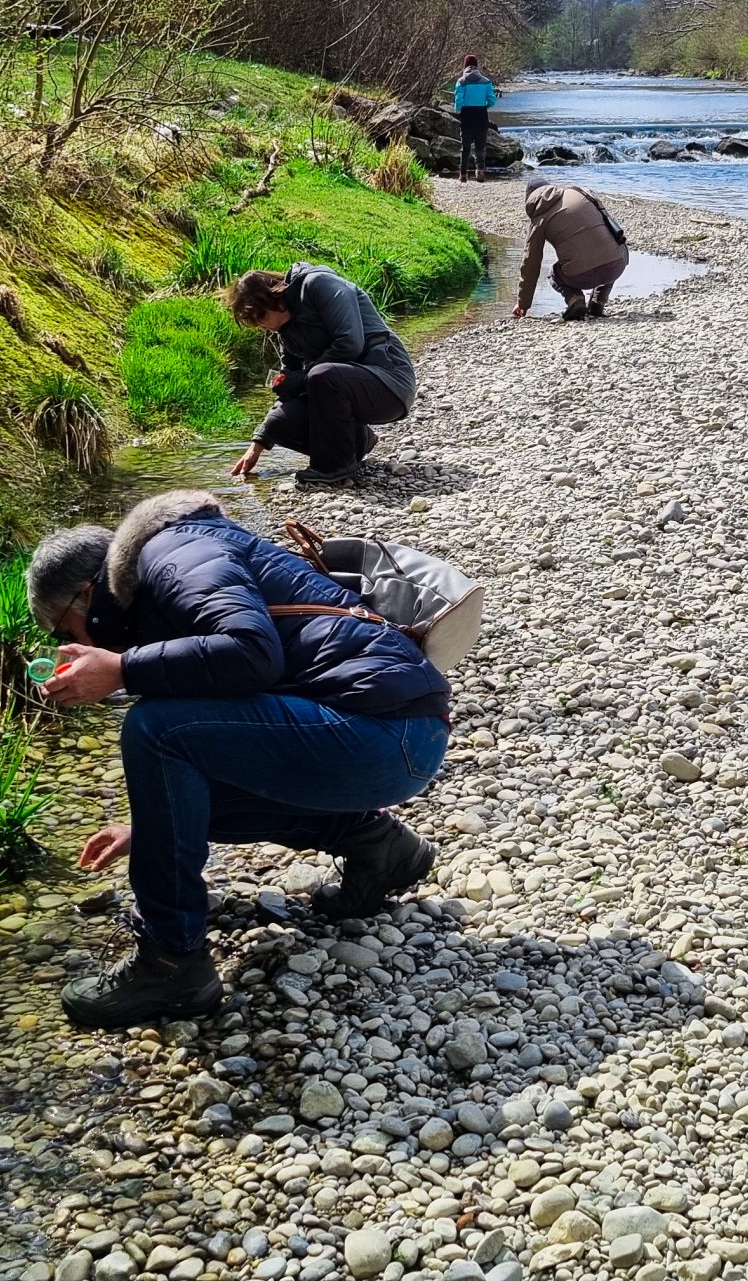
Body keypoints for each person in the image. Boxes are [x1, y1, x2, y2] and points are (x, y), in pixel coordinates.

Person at [29, 492, 450, 1027]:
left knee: (154, 728)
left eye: (66, 631)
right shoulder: (173, 565)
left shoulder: (174, 554)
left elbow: (250, 652)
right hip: (400, 735)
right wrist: (153, 824)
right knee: (185, 773)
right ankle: (380, 846)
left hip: (384, 735)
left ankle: (171, 960)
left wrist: (121, 669)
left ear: (88, 593)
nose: (73, 645)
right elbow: (224, 724)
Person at [225, 263, 415, 486]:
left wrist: (303, 379)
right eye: (254, 322)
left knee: (321, 375)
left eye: (260, 316)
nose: (261, 325)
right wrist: (258, 443)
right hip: (346, 386)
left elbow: (350, 344)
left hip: (390, 383)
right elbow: (290, 381)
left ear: (272, 297)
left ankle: (334, 467)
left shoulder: (319, 284)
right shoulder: (287, 331)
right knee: (278, 424)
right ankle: (356, 443)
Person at [511, 179, 629, 321]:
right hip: (617, 265)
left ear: (529, 199)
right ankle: (598, 301)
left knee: (553, 274)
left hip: (580, 275)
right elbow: (612, 229)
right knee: (609, 250)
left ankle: (575, 299)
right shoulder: (579, 192)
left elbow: (531, 263)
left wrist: (522, 303)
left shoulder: (539, 218)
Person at [452, 54, 498, 182]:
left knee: (465, 147)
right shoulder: (486, 81)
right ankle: (480, 172)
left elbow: (458, 100)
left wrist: (458, 109)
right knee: (480, 146)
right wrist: (485, 106)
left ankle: (463, 174)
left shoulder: (461, 81)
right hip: (481, 114)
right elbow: (492, 100)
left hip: (466, 115)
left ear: (465, 65)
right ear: (477, 66)